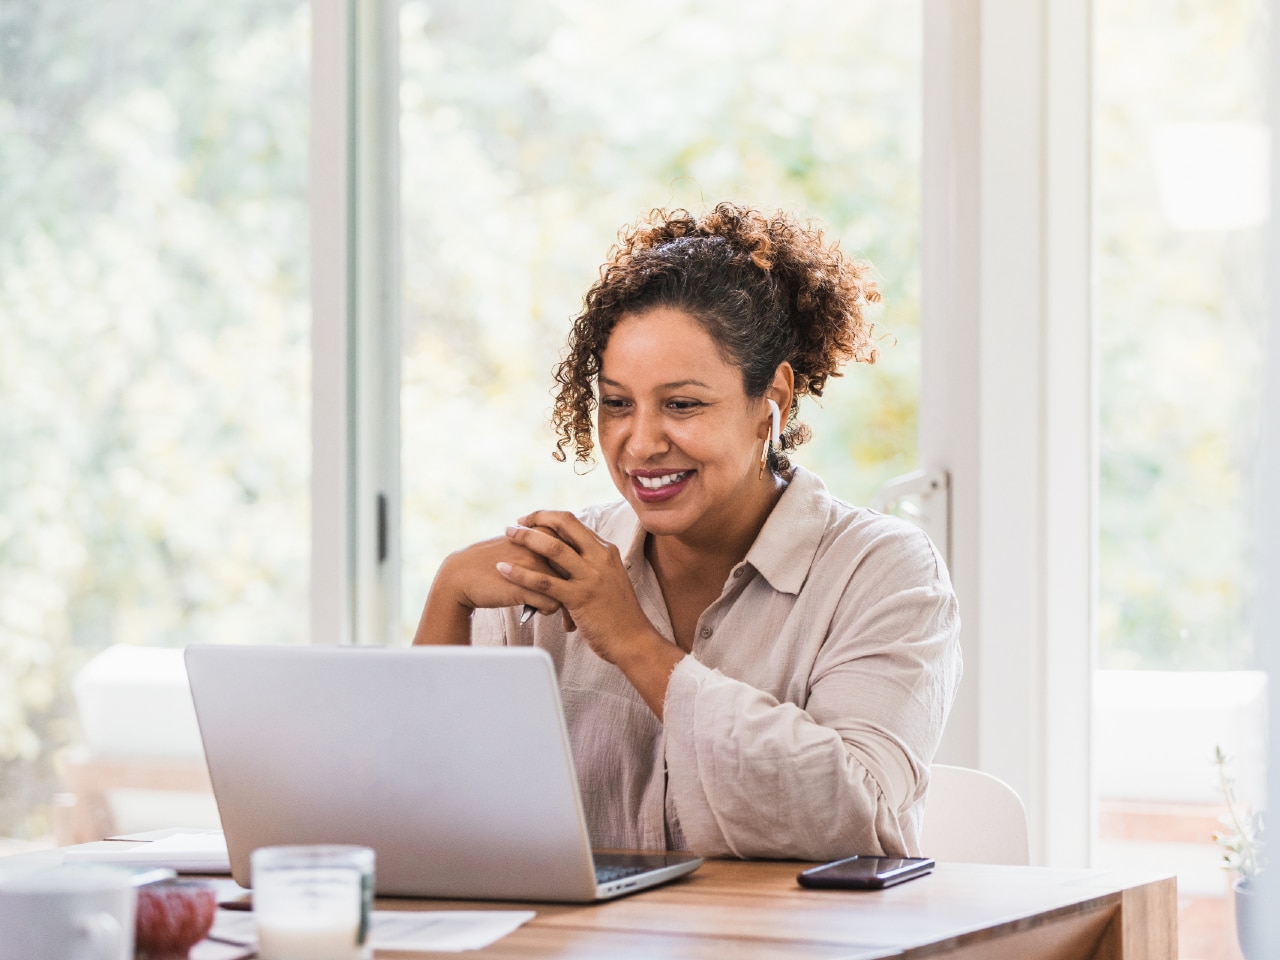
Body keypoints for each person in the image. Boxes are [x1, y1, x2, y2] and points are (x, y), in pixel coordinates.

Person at [413, 202, 961, 860]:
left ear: (772, 405)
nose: (640, 443)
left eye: (682, 405)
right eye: (617, 403)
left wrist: (632, 642)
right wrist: (449, 594)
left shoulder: (884, 574)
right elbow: (418, 821)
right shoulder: (547, 570)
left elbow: (854, 815)